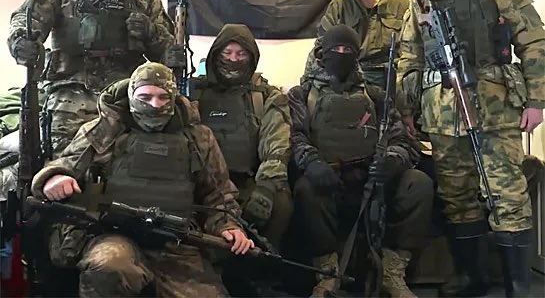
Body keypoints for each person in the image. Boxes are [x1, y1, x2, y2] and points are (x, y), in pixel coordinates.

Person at [397, 0, 545, 298]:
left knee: (507, 194)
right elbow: (410, 54)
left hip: (496, 109)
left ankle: (518, 285)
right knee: (456, 196)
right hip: (443, 113)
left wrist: (537, 101)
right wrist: (407, 107)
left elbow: (534, 43)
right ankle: (471, 277)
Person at [29, 62, 254, 297]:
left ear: (174, 98)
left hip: (176, 243)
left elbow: (218, 194)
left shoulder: (198, 138)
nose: (154, 105)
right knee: (109, 266)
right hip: (113, 236)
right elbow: (64, 165)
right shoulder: (104, 131)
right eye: (145, 97)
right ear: (131, 97)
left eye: (163, 97)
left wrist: (229, 227)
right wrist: (54, 178)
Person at [7, 0, 174, 158]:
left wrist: (150, 32)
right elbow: (28, 18)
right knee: (62, 164)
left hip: (123, 97)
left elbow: (170, 54)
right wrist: (21, 41)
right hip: (69, 91)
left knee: (120, 164)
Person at [289, 25, 433, 298]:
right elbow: (296, 137)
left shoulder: (375, 95)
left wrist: (392, 161)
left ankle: (392, 273)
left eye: (348, 50)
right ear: (322, 54)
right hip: (330, 180)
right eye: (336, 49)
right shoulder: (302, 94)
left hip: (372, 180)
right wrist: (312, 162)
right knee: (306, 190)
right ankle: (327, 274)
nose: (341, 54)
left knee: (419, 184)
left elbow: (402, 141)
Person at [190, 23, 293, 250]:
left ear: (251, 57)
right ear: (215, 54)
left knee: (281, 202)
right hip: (204, 187)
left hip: (247, 184)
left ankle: (258, 266)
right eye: (227, 53)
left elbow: (277, 146)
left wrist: (266, 188)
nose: (233, 59)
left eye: (241, 54)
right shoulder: (193, 92)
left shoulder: (266, 96)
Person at [302, 0, 409, 88]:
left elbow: (412, 45)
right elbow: (322, 45)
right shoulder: (339, 6)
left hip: (391, 77)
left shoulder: (400, 4)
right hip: (353, 76)